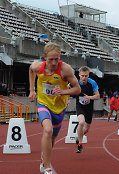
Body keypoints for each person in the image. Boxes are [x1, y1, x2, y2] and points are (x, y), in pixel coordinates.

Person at [28, 43, 81, 174]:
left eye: (56, 59)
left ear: (60, 56)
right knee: (48, 130)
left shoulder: (65, 69)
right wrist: (32, 90)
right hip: (43, 103)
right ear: (44, 57)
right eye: (50, 59)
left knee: (52, 139)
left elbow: (77, 89)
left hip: (59, 107)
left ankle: (44, 160)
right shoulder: (37, 67)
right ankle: (47, 168)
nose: (53, 62)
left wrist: (63, 91)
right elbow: (30, 70)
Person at [75, 66, 100, 153]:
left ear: (88, 75)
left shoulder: (92, 83)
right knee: (81, 122)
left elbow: (98, 96)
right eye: (82, 75)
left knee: (86, 129)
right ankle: (80, 145)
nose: (84, 78)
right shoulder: (75, 82)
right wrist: (66, 100)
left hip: (89, 107)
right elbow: (67, 88)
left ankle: (79, 138)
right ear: (79, 75)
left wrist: (89, 97)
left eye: (86, 76)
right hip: (80, 106)